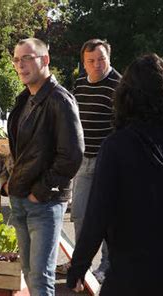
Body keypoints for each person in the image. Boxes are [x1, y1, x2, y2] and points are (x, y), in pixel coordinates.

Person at [67, 53, 163, 295]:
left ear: (126, 95)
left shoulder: (117, 146)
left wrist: (79, 265)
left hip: (128, 270)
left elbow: (98, 213)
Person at [0, 38, 84, 295]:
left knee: (40, 277)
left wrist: (42, 191)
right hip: (20, 198)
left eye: (27, 58)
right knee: (28, 273)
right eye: (16, 59)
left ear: (45, 60)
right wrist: (6, 180)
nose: (20, 65)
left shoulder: (60, 100)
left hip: (44, 203)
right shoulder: (24, 99)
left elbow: (72, 155)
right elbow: (15, 149)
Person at [57, 39, 121, 282]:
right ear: (83, 63)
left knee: (107, 215)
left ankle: (106, 265)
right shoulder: (80, 84)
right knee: (81, 213)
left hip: (108, 163)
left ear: (109, 58)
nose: (96, 65)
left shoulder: (119, 85)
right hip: (83, 160)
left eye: (101, 59)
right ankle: (80, 260)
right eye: (91, 61)